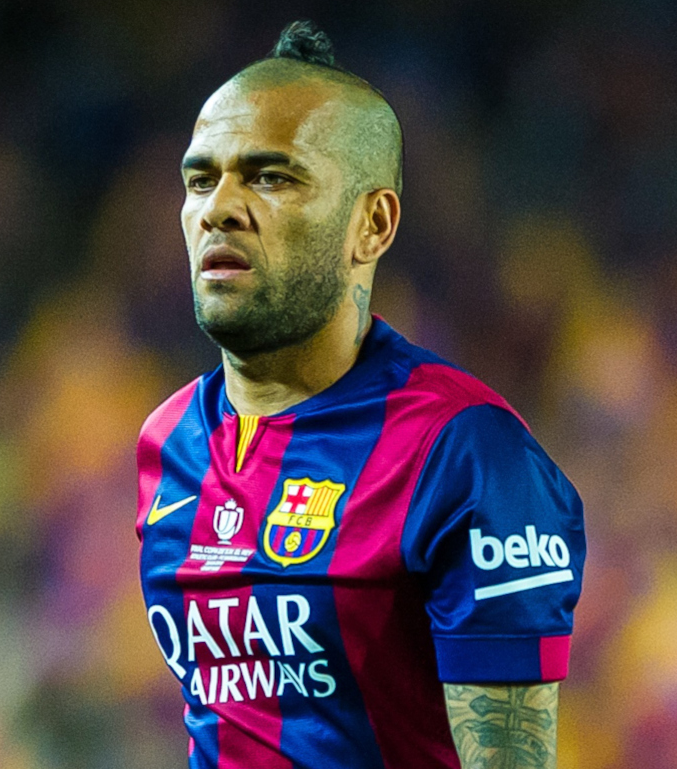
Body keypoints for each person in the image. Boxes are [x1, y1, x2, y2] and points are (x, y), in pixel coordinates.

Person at [136, 21, 585, 769]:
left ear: (371, 225)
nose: (219, 207)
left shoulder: (466, 452)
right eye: (201, 179)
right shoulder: (167, 439)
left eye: (271, 177)